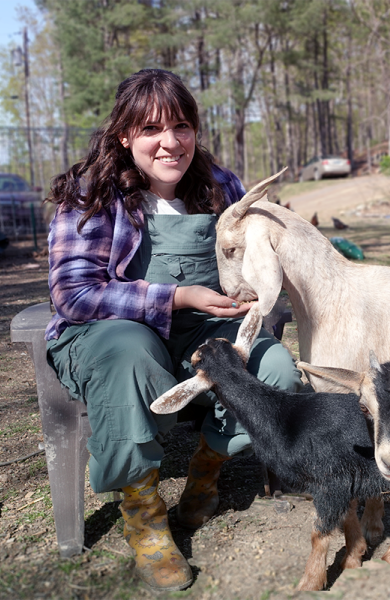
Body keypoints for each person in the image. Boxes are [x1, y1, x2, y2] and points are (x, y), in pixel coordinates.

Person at [44, 68, 302, 591]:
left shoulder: (221, 185)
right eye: (151, 129)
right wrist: (177, 296)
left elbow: (259, 259)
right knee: (129, 351)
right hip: (110, 333)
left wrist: (255, 285)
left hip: (203, 329)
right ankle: (143, 514)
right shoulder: (93, 193)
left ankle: (208, 466)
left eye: (181, 126)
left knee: (277, 370)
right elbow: (73, 293)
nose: (170, 142)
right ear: (124, 135)